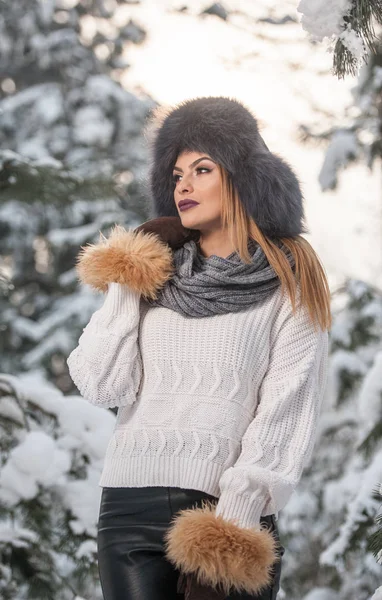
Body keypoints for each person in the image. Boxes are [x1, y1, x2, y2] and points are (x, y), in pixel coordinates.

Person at [66, 96, 332, 600]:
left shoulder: (289, 283)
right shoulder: (154, 272)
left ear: (244, 177)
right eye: (176, 173)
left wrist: (231, 524)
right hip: (128, 508)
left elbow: (285, 414)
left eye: (202, 168)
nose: (183, 184)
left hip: (227, 513)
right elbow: (101, 383)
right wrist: (127, 280)